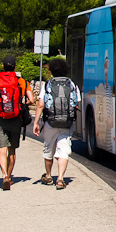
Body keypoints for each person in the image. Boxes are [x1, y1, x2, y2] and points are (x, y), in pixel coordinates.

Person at [32, 58, 81, 190]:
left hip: (50, 122)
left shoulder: (47, 84)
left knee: (49, 148)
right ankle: (60, 179)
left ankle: (48, 175)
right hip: (66, 122)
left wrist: (36, 122)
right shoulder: (71, 84)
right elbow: (76, 104)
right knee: (63, 151)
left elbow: (41, 104)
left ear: (52, 70)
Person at [0, 55, 33, 190]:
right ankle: (9, 177)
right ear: (15, 67)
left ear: (3, 66)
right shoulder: (21, 81)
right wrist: (23, 105)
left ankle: (3, 175)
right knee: (12, 150)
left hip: (1, 119)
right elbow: (31, 100)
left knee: (1, 150)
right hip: (16, 119)